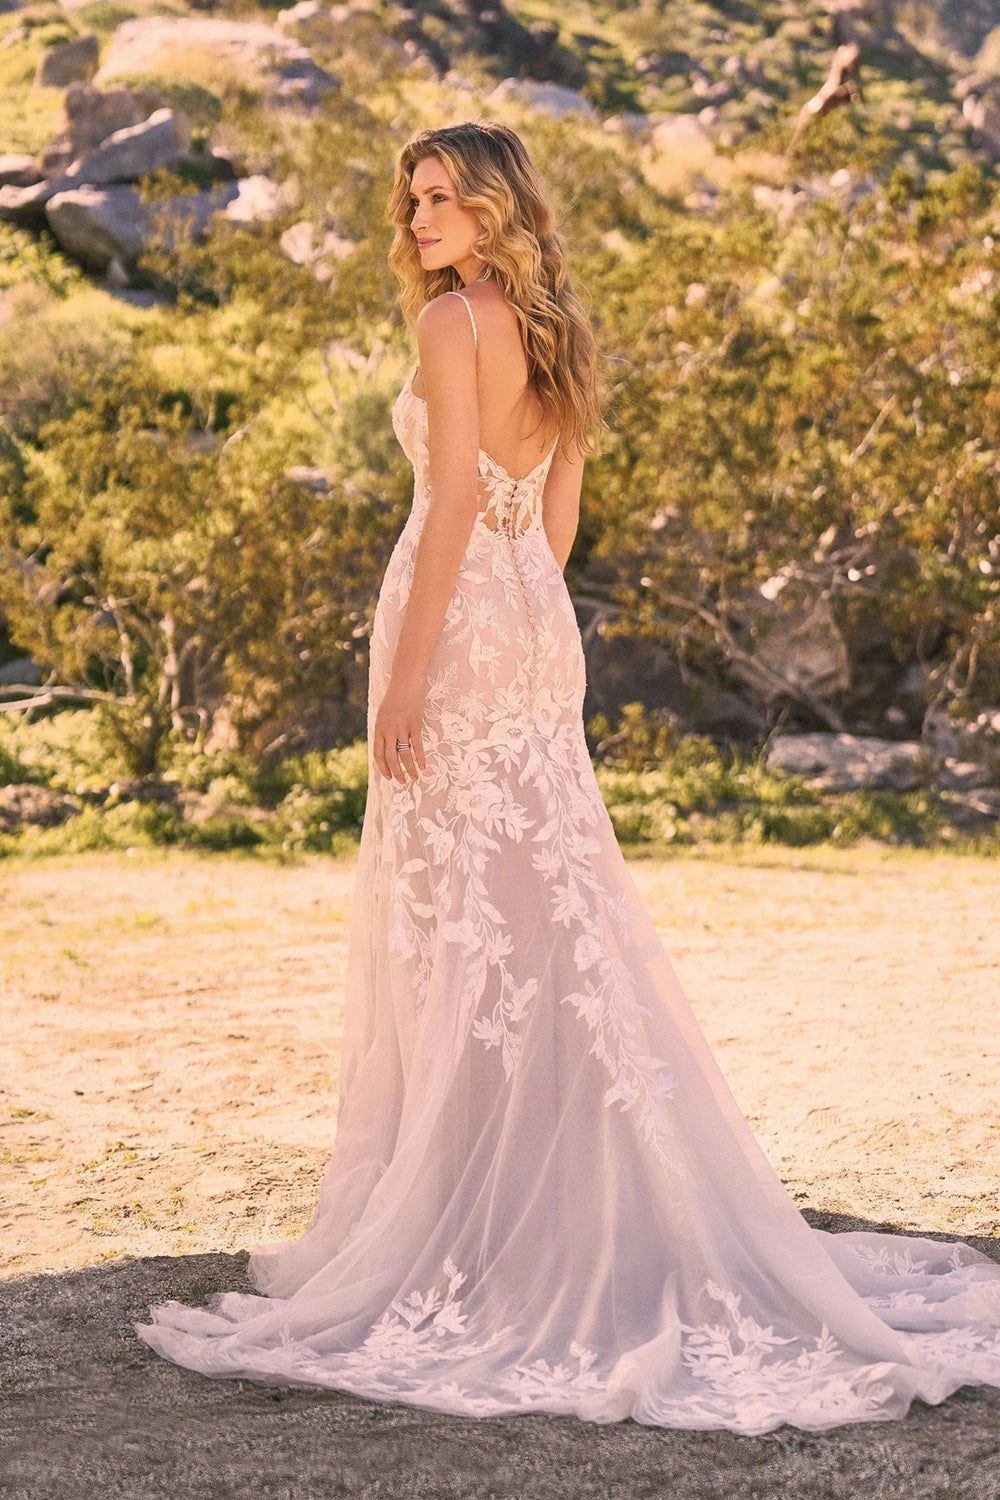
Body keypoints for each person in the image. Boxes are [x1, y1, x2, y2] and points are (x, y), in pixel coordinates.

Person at [137, 120, 1000, 1435]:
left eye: (443, 196)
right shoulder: (554, 334)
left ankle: (477, 1224)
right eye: (412, 194)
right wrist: (521, 617)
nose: (420, 215)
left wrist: (411, 678)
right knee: (551, 924)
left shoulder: (449, 329)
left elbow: (439, 525)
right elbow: (554, 523)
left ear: (494, 208)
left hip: (460, 632)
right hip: (539, 631)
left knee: (463, 934)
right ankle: (578, 1197)